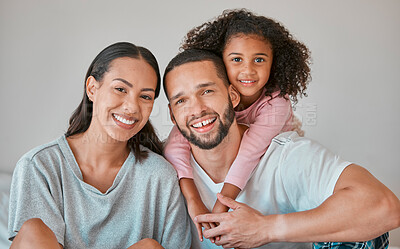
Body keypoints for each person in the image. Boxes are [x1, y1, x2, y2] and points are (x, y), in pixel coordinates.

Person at [162, 48, 400, 248]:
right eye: (181, 100)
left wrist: (265, 228)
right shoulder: (161, 171)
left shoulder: (284, 155)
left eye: (207, 91)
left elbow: (384, 207)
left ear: (233, 96)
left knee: (364, 233)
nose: (197, 109)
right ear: (173, 115)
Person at [8, 42, 191, 249]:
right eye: (120, 89)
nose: (132, 107)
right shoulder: (39, 166)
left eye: (145, 96)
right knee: (33, 229)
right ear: (92, 89)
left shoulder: (160, 176)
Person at [163, 9, 310, 241]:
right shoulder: (212, 102)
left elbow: (250, 152)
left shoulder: (276, 104)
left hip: (268, 158)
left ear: (275, 62)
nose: (248, 70)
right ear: (221, 60)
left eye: (259, 59)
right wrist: (194, 200)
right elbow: (174, 144)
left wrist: (221, 205)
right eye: (236, 59)